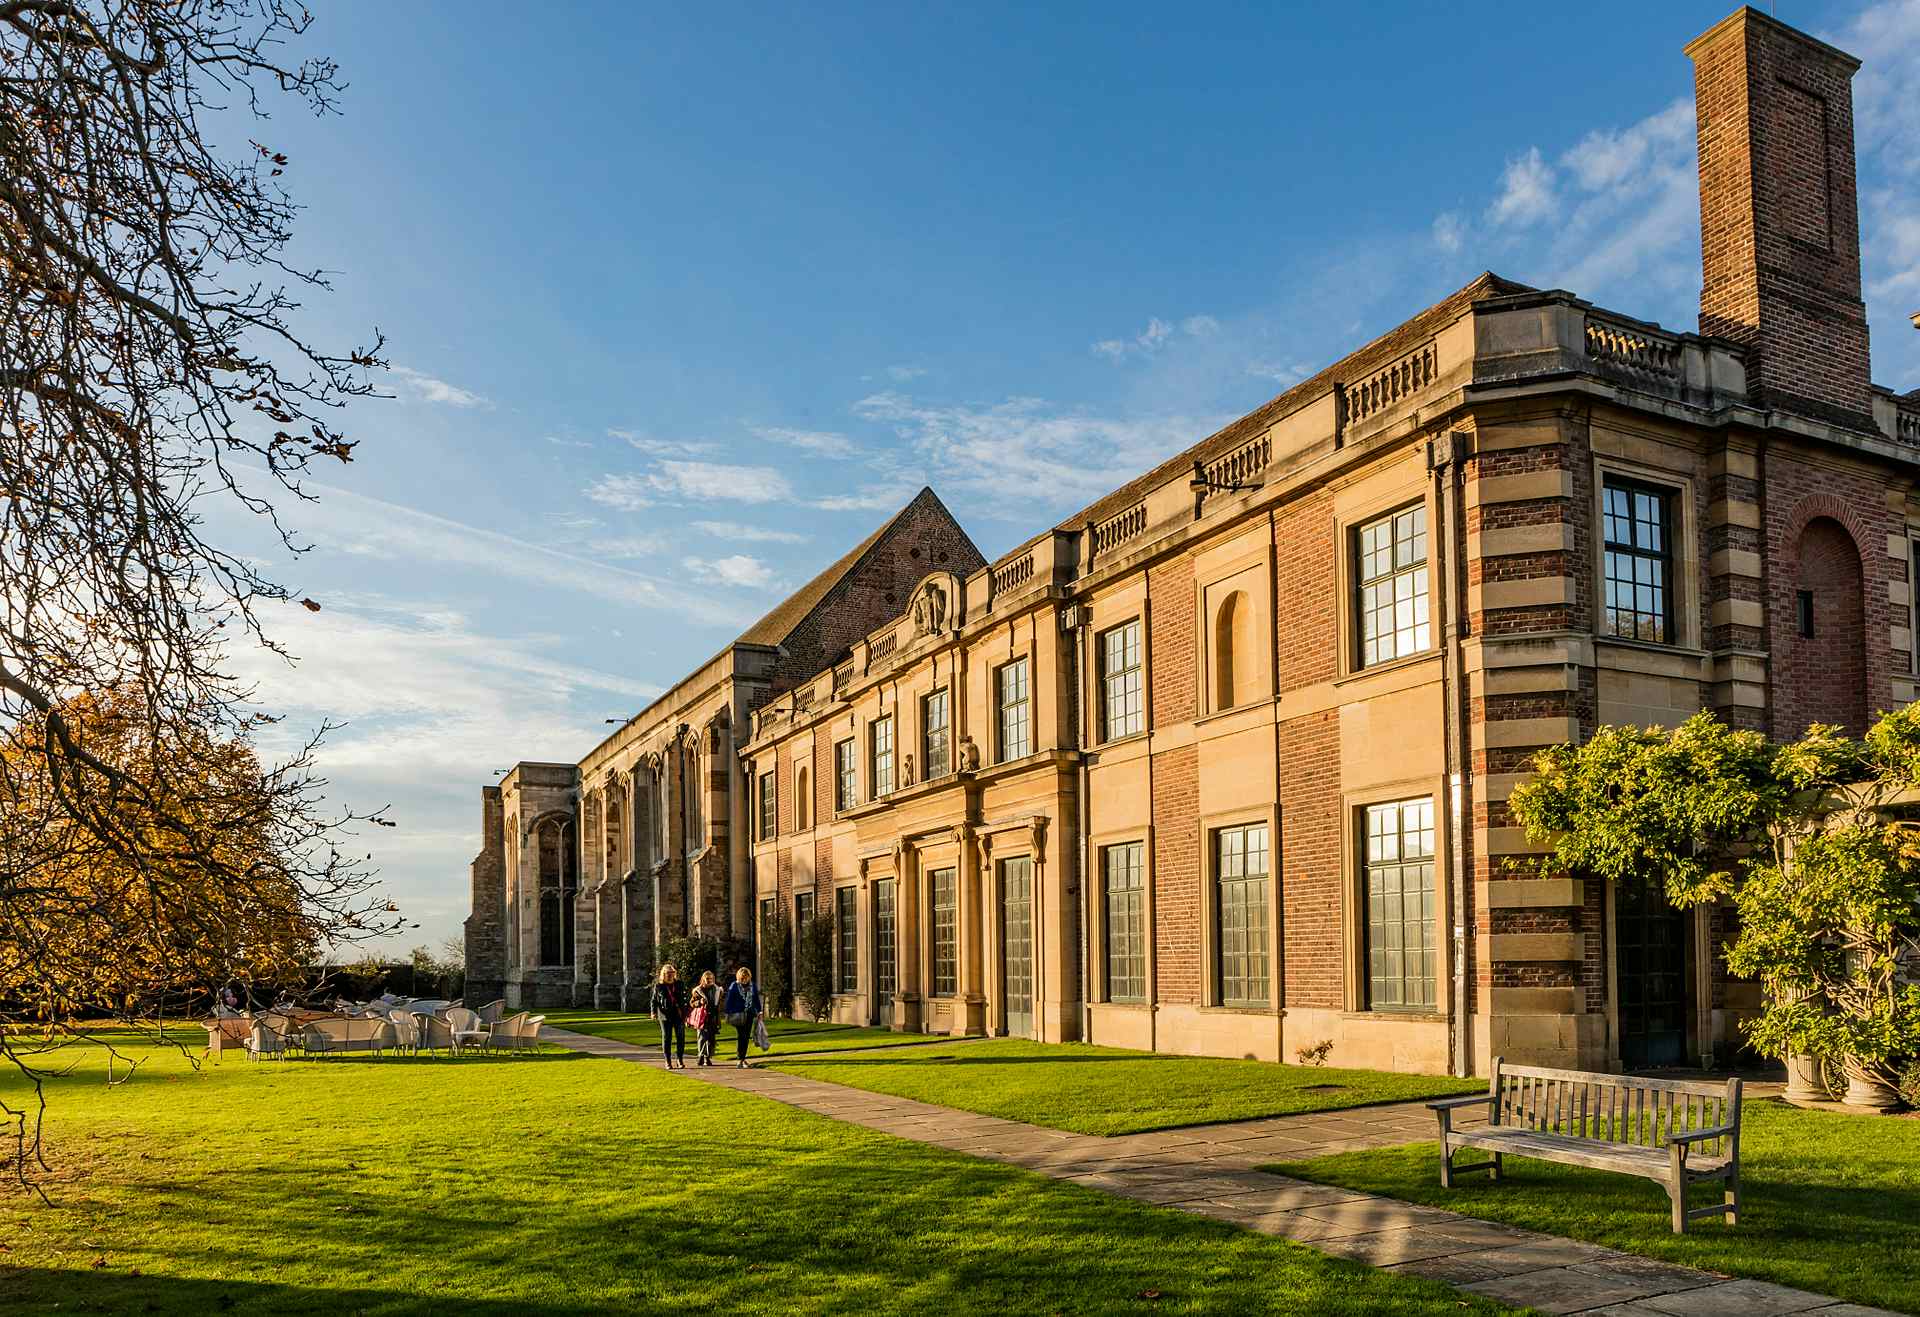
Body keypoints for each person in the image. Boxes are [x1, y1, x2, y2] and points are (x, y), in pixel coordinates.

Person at [720, 966, 762, 1069]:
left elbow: (756, 999)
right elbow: (730, 1000)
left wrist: (760, 1011)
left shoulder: (753, 986)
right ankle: (740, 1059)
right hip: (738, 1015)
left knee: (746, 1037)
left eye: (746, 977)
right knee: (741, 1036)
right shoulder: (734, 986)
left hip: (749, 1014)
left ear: (749, 977)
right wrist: (728, 1012)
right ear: (739, 977)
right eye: (742, 978)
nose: (744, 979)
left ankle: (742, 1059)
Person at [649, 963, 689, 1069]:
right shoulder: (659, 986)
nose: (671, 975)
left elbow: (685, 998)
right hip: (665, 1015)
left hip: (678, 1014)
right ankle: (668, 1061)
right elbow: (654, 1000)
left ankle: (680, 1060)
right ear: (664, 974)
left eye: (672, 972)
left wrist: (686, 1012)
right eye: (668, 973)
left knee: (680, 1037)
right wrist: (653, 1012)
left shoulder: (679, 984)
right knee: (667, 1038)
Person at [690, 970, 723, 1067]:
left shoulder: (717, 990)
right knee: (702, 1038)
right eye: (707, 978)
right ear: (703, 979)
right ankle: (701, 1056)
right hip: (702, 1018)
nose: (709, 980)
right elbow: (691, 1003)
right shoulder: (698, 990)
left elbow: (720, 1002)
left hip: (713, 1017)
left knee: (711, 1039)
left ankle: (707, 1057)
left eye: (711, 978)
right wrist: (700, 1002)